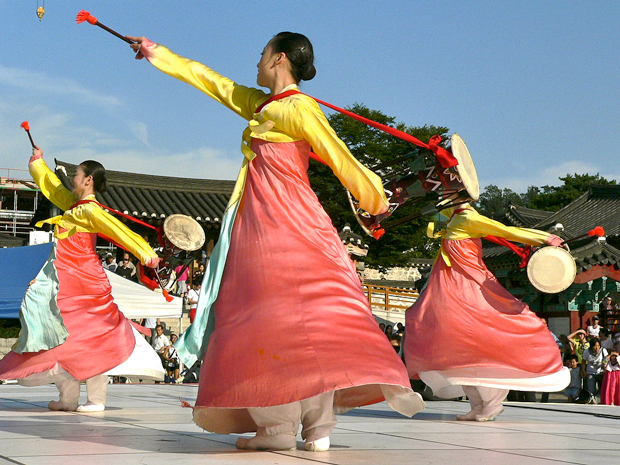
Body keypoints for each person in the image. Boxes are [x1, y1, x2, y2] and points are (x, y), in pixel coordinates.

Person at [127, 31, 423, 451]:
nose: (257, 61)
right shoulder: (263, 105)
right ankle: (314, 429)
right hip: (283, 225)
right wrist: (158, 53)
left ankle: (281, 428)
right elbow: (213, 82)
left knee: (266, 319)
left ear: (279, 58)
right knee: (305, 321)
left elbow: (339, 155)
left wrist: (375, 198)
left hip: (278, 227)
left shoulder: (299, 108)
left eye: (262, 54)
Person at [0, 146, 164, 412]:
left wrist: (146, 254)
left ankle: (96, 398)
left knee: (94, 338)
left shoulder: (91, 210)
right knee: (62, 338)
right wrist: (38, 163)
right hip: (66, 281)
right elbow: (54, 190)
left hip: (87, 283)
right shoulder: (76, 206)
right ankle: (68, 398)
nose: (73, 178)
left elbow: (118, 230)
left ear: (88, 180)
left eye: (77, 174)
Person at [404, 204, 569, 422]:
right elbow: (438, 209)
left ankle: (490, 403)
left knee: (475, 345)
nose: (443, 198)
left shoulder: (466, 219)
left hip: (468, 288)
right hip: (452, 289)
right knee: (459, 351)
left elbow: (505, 230)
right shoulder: (453, 218)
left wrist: (545, 238)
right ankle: (479, 405)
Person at [581, 337, 608, 403]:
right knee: (591, 390)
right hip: (590, 373)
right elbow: (583, 361)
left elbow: (607, 358)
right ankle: (594, 401)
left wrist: (604, 364)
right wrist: (584, 371)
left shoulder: (603, 350)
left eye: (598, 346)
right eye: (595, 346)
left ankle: (603, 401)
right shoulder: (586, 352)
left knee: (602, 389)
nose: (597, 348)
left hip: (601, 373)